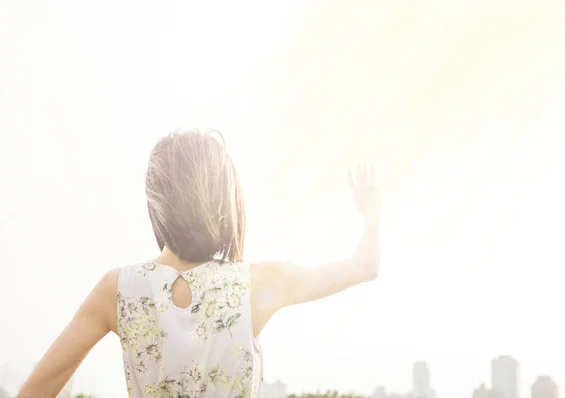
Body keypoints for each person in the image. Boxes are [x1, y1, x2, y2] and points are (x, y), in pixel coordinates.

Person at [18, 130, 382, 398]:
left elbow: (33, 394)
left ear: (155, 200)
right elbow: (364, 266)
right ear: (225, 198)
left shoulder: (117, 290)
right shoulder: (256, 284)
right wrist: (371, 214)